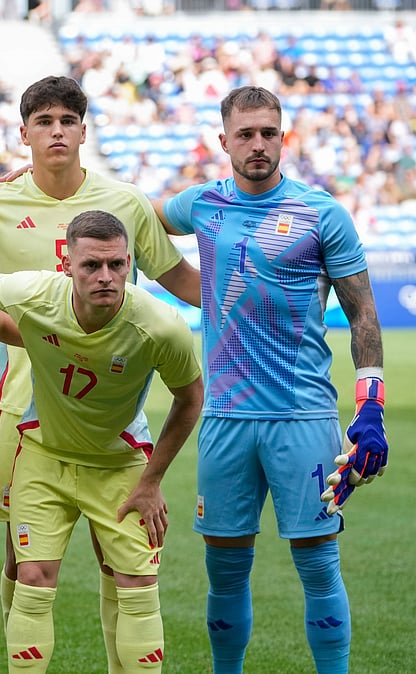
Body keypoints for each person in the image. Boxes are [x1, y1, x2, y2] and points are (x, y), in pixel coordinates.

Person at [159, 86, 387, 674]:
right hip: (225, 418)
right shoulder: (202, 203)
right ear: (224, 141)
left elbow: (362, 312)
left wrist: (371, 406)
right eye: (245, 134)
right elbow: (135, 222)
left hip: (303, 416)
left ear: (282, 137)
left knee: (317, 562)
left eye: (268, 133)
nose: (257, 144)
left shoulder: (321, 211)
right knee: (225, 566)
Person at [0, 75, 200, 669]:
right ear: (24, 133)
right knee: (22, 553)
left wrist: (249, 302)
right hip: (20, 402)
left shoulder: (124, 202)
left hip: (106, 400)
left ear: (83, 129)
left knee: (118, 553)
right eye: (43, 122)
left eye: (66, 121)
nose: (56, 132)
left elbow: (177, 278)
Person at [0, 210, 203, 673]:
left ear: (129, 263)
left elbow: (189, 398)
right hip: (45, 458)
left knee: (138, 587)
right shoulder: (34, 293)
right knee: (33, 579)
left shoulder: (161, 326)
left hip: (120, 465)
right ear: (66, 263)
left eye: (117, 265)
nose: (106, 277)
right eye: (91, 266)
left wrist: (152, 480)